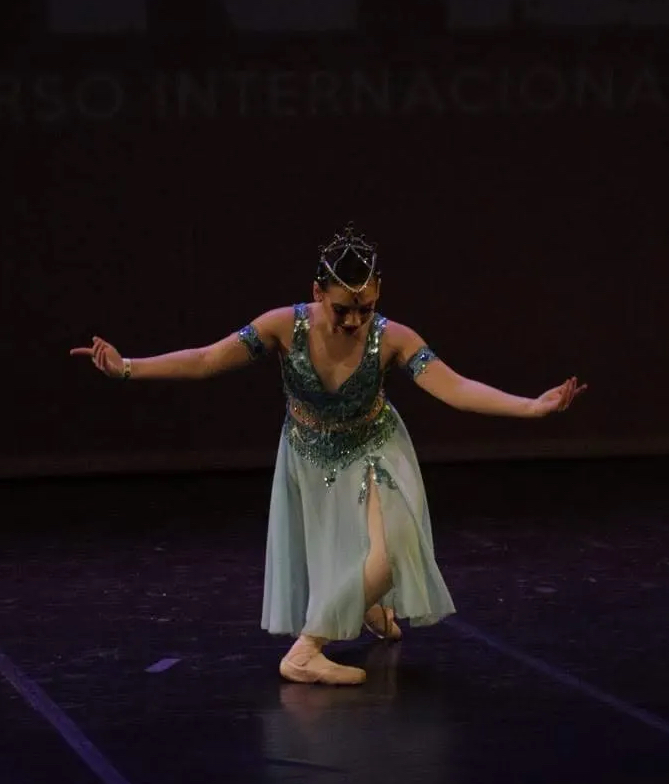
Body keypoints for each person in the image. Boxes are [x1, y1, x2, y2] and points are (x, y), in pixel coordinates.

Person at [70, 223, 586, 686]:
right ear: (318, 293)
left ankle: (319, 639)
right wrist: (127, 367)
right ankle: (333, 632)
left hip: (375, 445)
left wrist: (530, 407)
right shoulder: (283, 326)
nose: (355, 320)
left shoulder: (392, 338)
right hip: (310, 453)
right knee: (363, 556)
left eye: (367, 308)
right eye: (342, 309)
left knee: (396, 550)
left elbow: (454, 387)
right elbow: (206, 360)